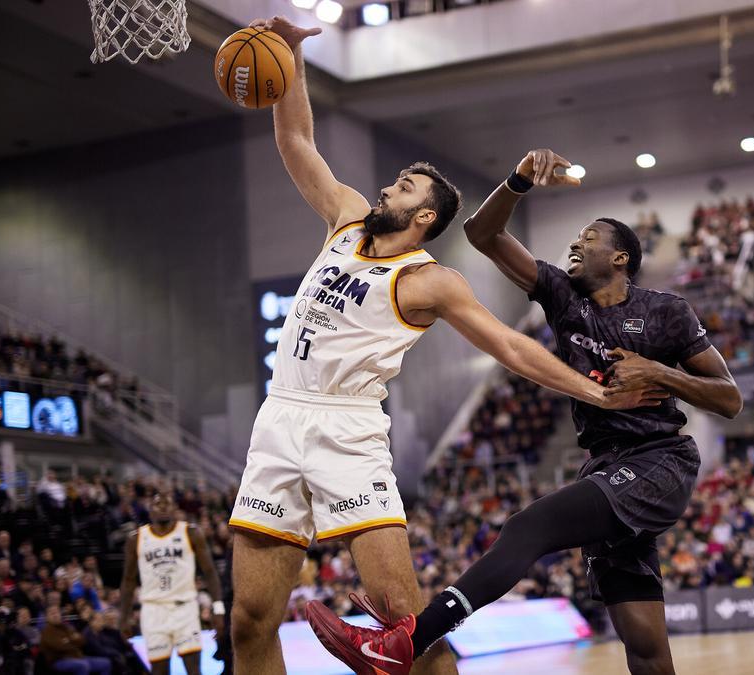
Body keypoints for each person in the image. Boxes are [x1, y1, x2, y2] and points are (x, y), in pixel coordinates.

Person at [228, 18, 652, 675]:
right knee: (249, 619)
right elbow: (295, 136)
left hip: (348, 430)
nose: (387, 187)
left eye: (403, 186)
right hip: (279, 418)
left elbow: (511, 347)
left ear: (424, 216)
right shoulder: (343, 219)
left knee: (404, 624)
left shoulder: (430, 280)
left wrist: (595, 390)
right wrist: (292, 55)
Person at [305, 148, 743, 675]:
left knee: (529, 527)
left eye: (590, 238)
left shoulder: (666, 312)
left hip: (659, 462)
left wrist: (660, 373)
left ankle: (406, 642)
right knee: (646, 646)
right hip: (605, 465)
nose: (576, 244)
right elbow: (481, 235)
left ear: (621, 257)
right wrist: (517, 181)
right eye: (576, 237)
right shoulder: (562, 295)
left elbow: (729, 397)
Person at [119, 493, 222, 674]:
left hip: (185, 609)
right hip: (153, 611)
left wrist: (218, 608)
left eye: (167, 503)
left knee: (193, 670)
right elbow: (128, 580)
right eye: (158, 504)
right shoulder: (136, 538)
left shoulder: (191, 532)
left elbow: (210, 572)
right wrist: (124, 617)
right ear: (150, 510)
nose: (163, 507)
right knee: (159, 671)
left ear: (175, 509)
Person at [40, 606, 111, 675]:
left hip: (77, 657)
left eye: (57, 612)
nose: (55, 615)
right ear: (47, 617)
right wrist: (73, 639)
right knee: (82, 665)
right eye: (52, 613)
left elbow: (82, 640)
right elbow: (60, 646)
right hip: (59, 661)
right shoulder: (47, 632)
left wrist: (68, 640)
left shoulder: (66, 627)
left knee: (106, 663)